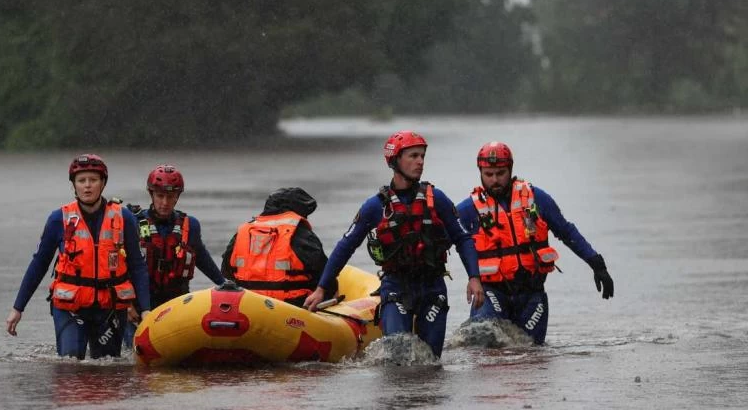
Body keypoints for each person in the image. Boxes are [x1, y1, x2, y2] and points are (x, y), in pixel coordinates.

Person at [302, 131, 485, 359]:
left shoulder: (437, 199)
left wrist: (474, 278)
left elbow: (463, 238)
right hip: (396, 287)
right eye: (413, 156)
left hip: (432, 288)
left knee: (431, 361)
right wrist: (321, 288)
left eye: (422, 156)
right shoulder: (375, 207)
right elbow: (346, 246)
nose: (420, 162)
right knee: (397, 353)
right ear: (395, 160)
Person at [455, 141, 614, 345]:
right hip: (492, 292)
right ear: (480, 173)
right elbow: (443, 242)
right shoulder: (468, 209)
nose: (495, 180)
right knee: (485, 346)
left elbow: (566, 231)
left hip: (531, 294)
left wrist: (596, 263)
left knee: (530, 355)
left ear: (510, 170)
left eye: (500, 173)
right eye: (489, 174)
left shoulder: (536, 199)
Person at [5, 154, 151, 359]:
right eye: (81, 181)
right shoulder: (59, 219)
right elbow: (39, 264)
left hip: (109, 307)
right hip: (70, 307)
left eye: (93, 180)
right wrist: (17, 308)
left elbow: (137, 266)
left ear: (103, 183)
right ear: (74, 185)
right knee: (71, 362)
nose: (87, 186)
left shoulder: (123, 217)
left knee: (108, 368)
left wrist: (145, 309)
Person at [125, 165, 225, 337]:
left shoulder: (190, 225)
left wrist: (224, 284)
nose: (165, 203)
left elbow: (202, 258)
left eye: (170, 197)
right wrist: (127, 305)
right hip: (139, 306)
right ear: (151, 194)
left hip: (177, 303)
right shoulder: (132, 222)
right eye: (160, 196)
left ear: (177, 197)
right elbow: (119, 267)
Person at [221, 187, 335, 307]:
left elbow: (226, 271)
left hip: (246, 303)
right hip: (291, 306)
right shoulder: (300, 234)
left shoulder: (242, 232)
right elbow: (325, 275)